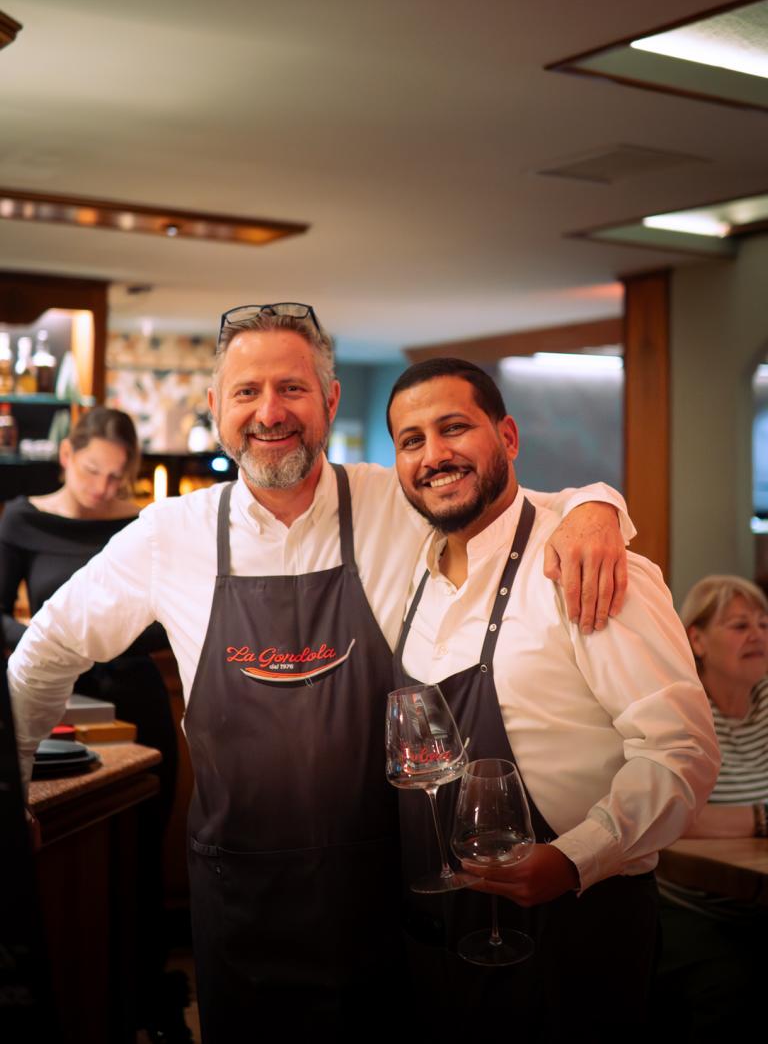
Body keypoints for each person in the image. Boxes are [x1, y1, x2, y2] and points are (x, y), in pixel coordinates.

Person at [10, 304, 634, 1037]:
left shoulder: (393, 501)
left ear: (331, 400)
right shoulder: (169, 535)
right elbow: (46, 649)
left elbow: (524, 508)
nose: (269, 412)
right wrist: (9, 789)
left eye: (292, 388)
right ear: (215, 407)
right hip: (240, 898)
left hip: (387, 895)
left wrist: (597, 506)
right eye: (246, 392)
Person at [386, 358, 720, 1041]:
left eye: (455, 427)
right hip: (443, 937)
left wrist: (574, 859)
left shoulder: (588, 565)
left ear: (508, 436)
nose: (434, 454)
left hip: (577, 928)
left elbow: (682, 754)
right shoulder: (410, 572)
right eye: (411, 440)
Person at [0, 406, 186, 1043]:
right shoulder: (21, 518)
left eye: (116, 477)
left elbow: (164, 618)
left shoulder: (145, 525)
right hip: (59, 697)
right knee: (67, 841)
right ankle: (78, 994)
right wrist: (54, 638)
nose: (103, 488)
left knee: (142, 846)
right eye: (92, 471)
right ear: (66, 457)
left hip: (138, 696)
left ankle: (142, 994)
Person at [655, 575, 768, 1039]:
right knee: (734, 989)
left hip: (755, 902)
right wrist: (761, 818)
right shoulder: (681, 709)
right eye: (740, 625)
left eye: (763, 624)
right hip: (686, 905)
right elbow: (667, 814)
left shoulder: (765, 699)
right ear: (697, 640)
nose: (757, 634)